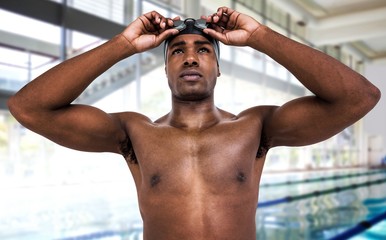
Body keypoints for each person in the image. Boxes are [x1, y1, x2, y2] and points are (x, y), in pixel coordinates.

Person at [7, 6, 380, 240]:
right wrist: (123, 43)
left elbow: (360, 97)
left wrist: (260, 37)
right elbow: (28, 108)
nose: (190, 58)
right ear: (165, 68)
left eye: (203, 50)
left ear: (217, 68)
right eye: (177, 51)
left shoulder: (256, 127)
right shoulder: (134, 133)